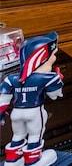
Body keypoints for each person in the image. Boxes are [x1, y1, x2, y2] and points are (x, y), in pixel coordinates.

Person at [0, 32, 64, 166]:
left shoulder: (11, 78)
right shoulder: (47, 77)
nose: (54, 58)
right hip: (35, 112)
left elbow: (3, 99)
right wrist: (58, 80)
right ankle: (33, 160)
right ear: (42, 58)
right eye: (53, 55)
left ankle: (12, 160)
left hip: (16, 113)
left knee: (17, 135)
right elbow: (55, 95)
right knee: (35, 136)